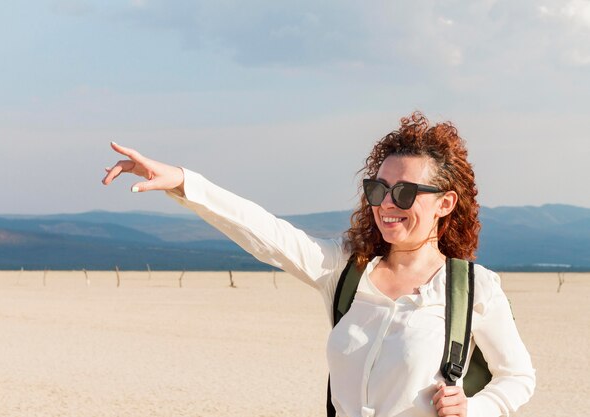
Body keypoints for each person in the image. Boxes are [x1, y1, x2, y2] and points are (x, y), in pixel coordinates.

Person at [102, 112, 535, 417]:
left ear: (445, 203)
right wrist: (184, 183)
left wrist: (476, 408)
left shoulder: (473, 289)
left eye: (404, 193)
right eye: (378, 188)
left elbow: (518, 376)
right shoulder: (347, 269)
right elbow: (267, 234)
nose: (386, 204)